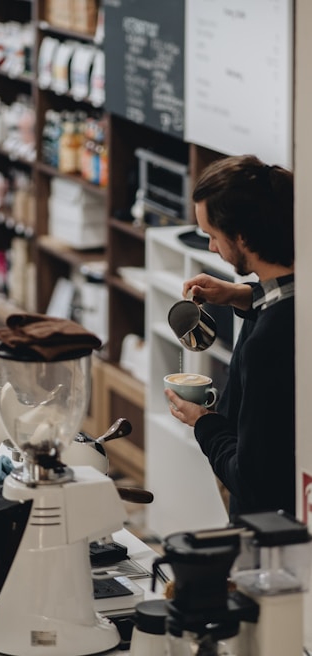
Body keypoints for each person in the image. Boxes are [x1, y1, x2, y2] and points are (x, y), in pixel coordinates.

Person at [165, 154, 295, 518]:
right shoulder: (292, 296)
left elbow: (253, 480)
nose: (210, 248)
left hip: (273, 531)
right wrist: (245, 294)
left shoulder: (268, 343)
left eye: (212, 236)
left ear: (241, 237)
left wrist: (203, 422)